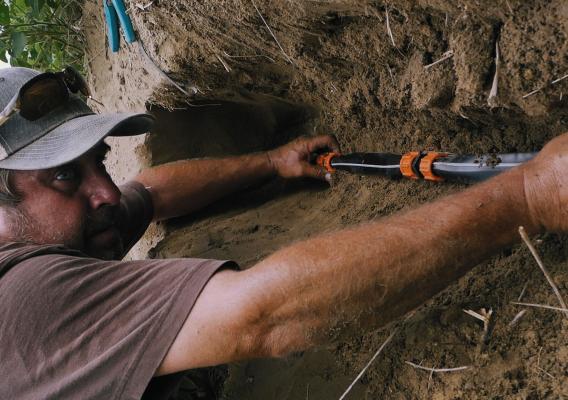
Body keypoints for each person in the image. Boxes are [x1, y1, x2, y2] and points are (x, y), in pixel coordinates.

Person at [0, 67, 563, 399]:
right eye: (64, 174)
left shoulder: (67, 223)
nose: (104, 192)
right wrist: (526, 197)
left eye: (98, 162)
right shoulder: (28, 297)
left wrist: (272, 163)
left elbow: (150, 192)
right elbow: (263, 314)